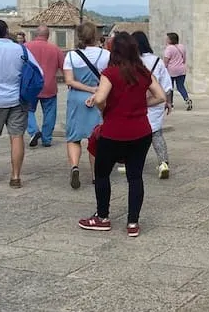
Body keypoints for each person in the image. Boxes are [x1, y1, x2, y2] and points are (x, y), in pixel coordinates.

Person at [78, 33, 167, 237]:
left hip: (114, 131)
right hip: (141, 131)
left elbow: (100, 98)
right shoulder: (143, 72)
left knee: (102, 174)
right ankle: (133, 222)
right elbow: (161, 96)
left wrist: (104, 108)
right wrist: (141, 104)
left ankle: (102, 217)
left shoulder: (110, 73)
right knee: (135, 177)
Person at [0, 20, 41, 189]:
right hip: (17, 99)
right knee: (16, 137)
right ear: (6, 31)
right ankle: (15, 176)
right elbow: (38, 70)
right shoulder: (21, 49)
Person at [64, 22, 110, 189]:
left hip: (76, 98)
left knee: (73, 137)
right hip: (99, 96)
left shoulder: (71, 56)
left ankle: (74, 166)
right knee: (96, 137)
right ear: (95, 36)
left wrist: (86, 88)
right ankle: (95, 174)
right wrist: (94, 90)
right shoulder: (106, 55)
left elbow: (69, 81)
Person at [134, 31, 173, 178]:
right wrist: (168, 102)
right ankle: (163, 163)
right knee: (156, 133)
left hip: (136, 102)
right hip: (156, 101)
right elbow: (167, 84)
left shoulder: (133, 61)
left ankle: (132, 162)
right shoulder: (158, 61)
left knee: (136, 133)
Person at [25, 26, 65, 148]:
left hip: (30, 85)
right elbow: (64, 68)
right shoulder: (56, 49)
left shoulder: (26, 47)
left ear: (35, 34)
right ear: (48, 35)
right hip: (49, 85)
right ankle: (47, 139)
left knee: (27, 110)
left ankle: (33, 131)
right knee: (49, 113)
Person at [163, 32, 193, 111]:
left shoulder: (169, 48)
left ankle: (170, 103)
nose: (166, 39)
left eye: (167, 38)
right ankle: (187, 100)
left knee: (170, 87)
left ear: (171, 40)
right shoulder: (182, 47)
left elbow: (166, 61)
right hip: (181, 70)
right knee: (180, 86)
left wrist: (163, 69)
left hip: (171, 71)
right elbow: (184, 59)